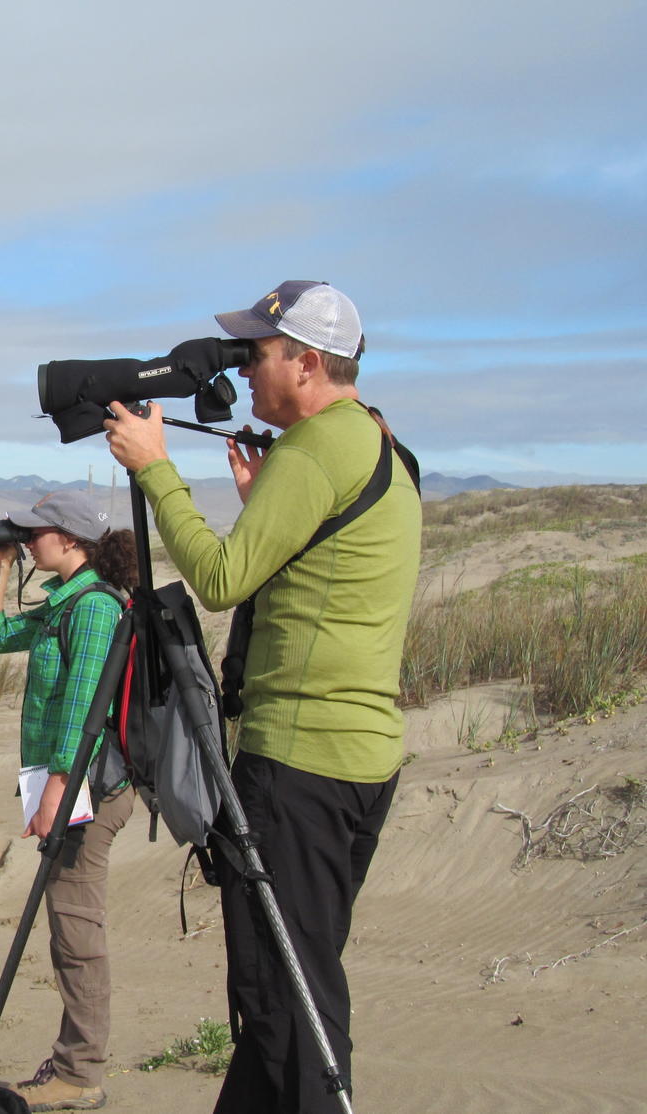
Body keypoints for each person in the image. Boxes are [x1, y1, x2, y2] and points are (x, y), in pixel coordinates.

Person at [102, 281, 421, 1112]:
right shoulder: (376, 445)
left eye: (259, 353)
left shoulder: (315, 452)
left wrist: (156, 469)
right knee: (293, 979)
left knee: (290, 1006)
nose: (245, 370)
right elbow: (327, 577)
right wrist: (263, 508)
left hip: (300, 767)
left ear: (308, 363)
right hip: (359, 762)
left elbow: (217, 579)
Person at [0, 490, 140, 1112]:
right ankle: (75, 1062)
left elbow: (81, 714)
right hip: (73, 787)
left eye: (32, 535)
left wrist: (56, 798)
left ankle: (81, 1073)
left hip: (86, 789)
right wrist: (1, 568)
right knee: (69, 925)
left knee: (75, 931)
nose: (26, 541)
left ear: (69, 539)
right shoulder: (65, 605)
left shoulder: (92, 609)